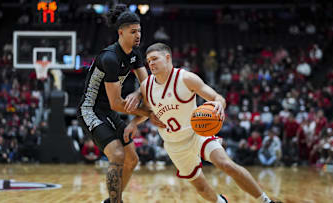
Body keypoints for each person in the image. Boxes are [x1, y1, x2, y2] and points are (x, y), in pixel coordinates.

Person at [124, 43, 280, 203]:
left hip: (197, 133)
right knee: (201, 188)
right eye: (148, 61)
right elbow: (150, 113)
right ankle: (221, 202)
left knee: (226, 164)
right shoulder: (146, 86)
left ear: (168, 58)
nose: (151, 64)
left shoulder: (186, 78)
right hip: (174, 145)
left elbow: (217, 97)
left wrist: (219, 103)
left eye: (155, 59)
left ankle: (265, 200)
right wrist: (134, 123)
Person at [76, 5, 165, 203]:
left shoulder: (135, 53)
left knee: (132, 159)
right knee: (117, 155)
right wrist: (149, 115)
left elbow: (148, 86)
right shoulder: (110, 58)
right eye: (133, 31)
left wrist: (136, 93)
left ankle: (111, 201)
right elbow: (117, 103)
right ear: (121, 32)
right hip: (90, 110)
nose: (138, 35)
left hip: (107, 110)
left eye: (139, 31)